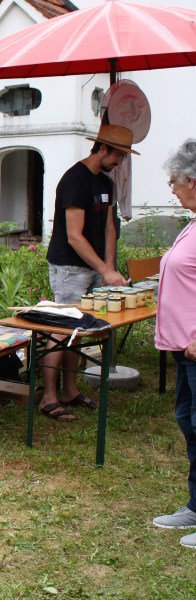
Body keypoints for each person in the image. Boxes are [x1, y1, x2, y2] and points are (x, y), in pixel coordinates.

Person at [40, 124, 138, 421]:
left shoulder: (106, 183)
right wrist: (104, 269)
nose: (121, 162)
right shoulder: (75, 180)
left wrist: (110, 269)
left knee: (80, 330)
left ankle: (69, 390)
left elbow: (110, 228)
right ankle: (48, 396)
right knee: (62, 329)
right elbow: (74, 236)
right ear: (103, 148)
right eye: (119, 155)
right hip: (69, 266)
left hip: (95, 267)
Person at [153, 139, 196, 549]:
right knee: (190, 423)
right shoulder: (193, 223)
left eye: (174, 181)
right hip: (184, 350)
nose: (172, 189)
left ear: (194, 182)